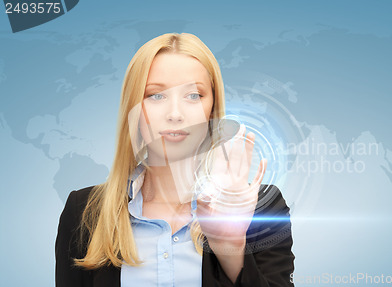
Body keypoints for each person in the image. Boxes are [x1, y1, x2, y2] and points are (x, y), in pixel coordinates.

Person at [55, 33, 295, 287]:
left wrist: (230, 247)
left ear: (212, 108)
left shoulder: (263, 210)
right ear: (134, 110)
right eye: (156, 96)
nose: (175, 114)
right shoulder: (83, 212)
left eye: (193, 96)